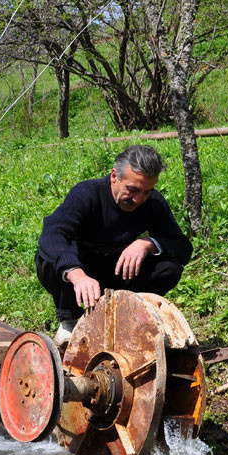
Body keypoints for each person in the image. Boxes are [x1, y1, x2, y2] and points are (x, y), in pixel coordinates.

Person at [35, 144, 193, 345]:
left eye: (146, 192)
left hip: (117, 271)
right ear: (114, 176)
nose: (138, 199)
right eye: (133, 190)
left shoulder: (153, 203)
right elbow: (53, 233)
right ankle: (70, 321)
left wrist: (148, 243)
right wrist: (77, 274)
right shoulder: (87, 194)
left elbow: (182, 247)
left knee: (169, 268)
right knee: (49, 257)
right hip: (82, 274)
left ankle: (127, 319)